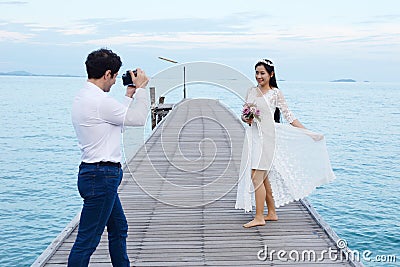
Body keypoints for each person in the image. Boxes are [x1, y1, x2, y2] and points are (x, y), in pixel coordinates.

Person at [68, 48, 149, 266]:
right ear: (107, 74)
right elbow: (138, 119)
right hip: (101, 177)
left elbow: (116, 120)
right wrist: (141, 90)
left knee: (119, 227)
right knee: (87, 241)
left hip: (95, 173)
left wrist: (129, 96)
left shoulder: (84, 97)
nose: (114, 82)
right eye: (114, 76)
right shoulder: (100, 101)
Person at [235, 59, 335, 228]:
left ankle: (259, 217)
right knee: (263, 176)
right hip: (253, 136)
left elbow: (289, 116)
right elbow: (244, 117)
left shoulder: (275, 93)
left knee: (256, 177)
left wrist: (308, 133)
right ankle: (272, 212)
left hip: (267, 138)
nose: (259, 76)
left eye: (262, 73)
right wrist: (247, 117)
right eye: (257, 73)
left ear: (271, 74)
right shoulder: (251, 91)